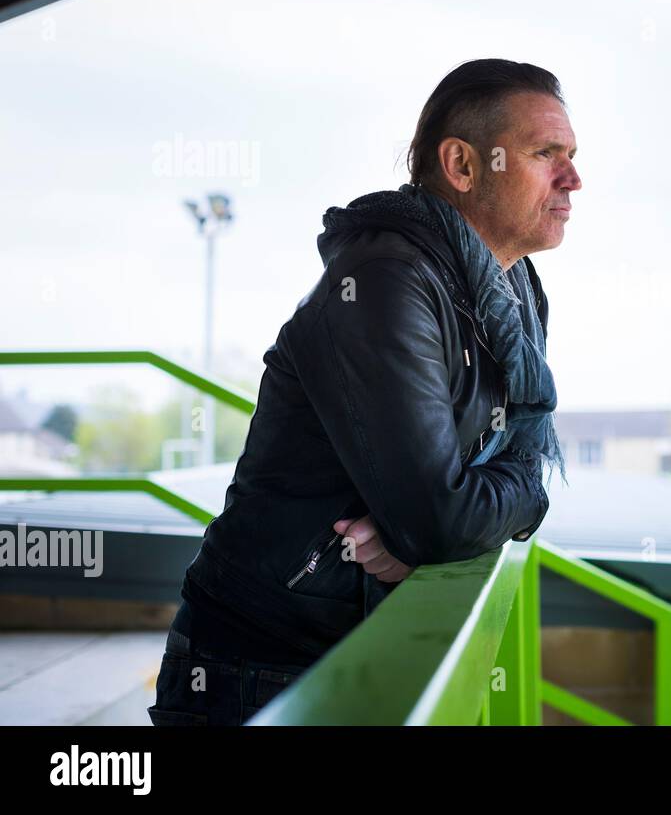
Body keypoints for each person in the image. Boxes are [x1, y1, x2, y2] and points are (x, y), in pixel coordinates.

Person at [148, 58, 580, 725]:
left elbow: (504, 472)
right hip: (260, 668)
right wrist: (493, 505)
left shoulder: (513, 290)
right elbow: (442, 520)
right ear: (463, 166)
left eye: (571, 157)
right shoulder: (383, 279)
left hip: (361, 641)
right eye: (545, 154)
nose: (572, 178)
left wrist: (470, 507)